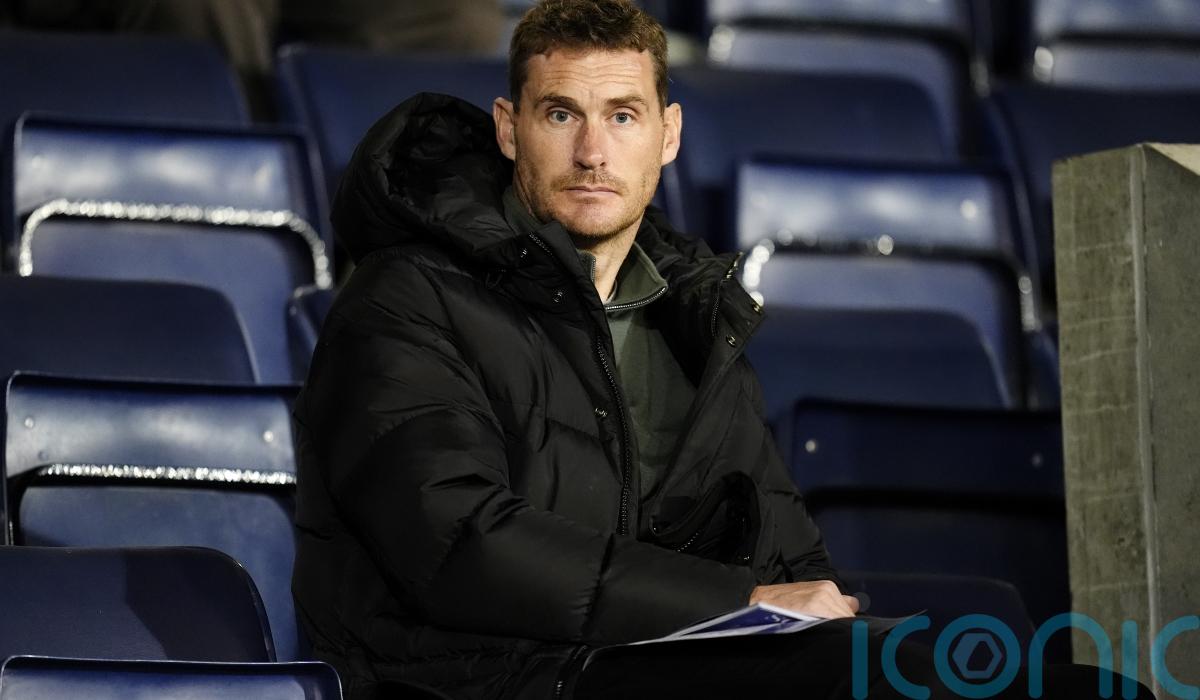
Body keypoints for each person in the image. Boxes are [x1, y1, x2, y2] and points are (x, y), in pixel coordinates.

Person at [291, 1, 1155, 698]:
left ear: (667, 136)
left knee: (1087, 688)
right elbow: (460, 546)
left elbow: (787, 557)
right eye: (562, 114)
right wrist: (743, 602)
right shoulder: (405, 299)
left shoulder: (690, 319)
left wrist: (820, 618)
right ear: (510, 129)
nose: (592, 152)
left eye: (622, 116)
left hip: (662, 662)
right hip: (481, 679)